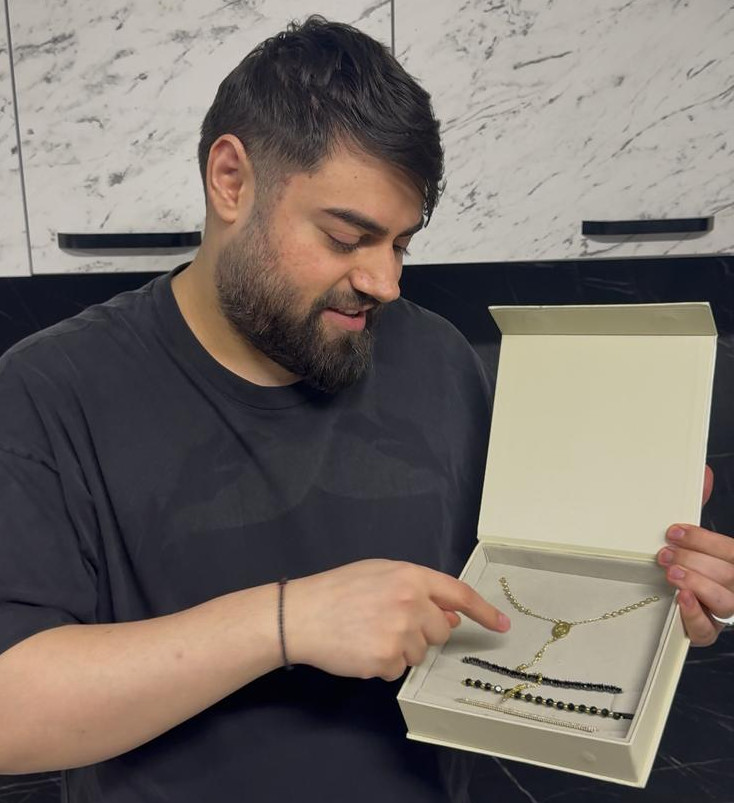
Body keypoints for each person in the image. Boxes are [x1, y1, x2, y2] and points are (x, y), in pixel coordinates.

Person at [0, 15, 730, 803]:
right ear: (231, 180)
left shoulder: (438, 358)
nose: (384, 282)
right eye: (347, 237)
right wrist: (287, 621)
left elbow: (501, 601)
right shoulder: (49, 391)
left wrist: (649, 599)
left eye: (401, 244)